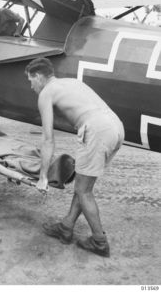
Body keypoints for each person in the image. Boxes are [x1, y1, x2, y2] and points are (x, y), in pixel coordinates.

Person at [25, 57, 125, 257]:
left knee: (83, 191)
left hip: (96, 129)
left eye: (30, 80)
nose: (31, 86)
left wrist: (43, 176)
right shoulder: (71, 82)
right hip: (115, 127)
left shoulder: (46, 92)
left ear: (38, 76)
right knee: (83, 187)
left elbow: (48, 139)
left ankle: (99, 242)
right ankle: (66, 227)